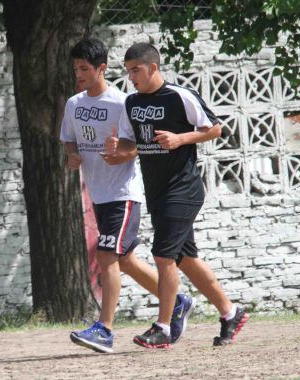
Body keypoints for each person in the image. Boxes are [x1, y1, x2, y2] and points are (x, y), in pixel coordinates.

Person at [105, 42, 249, 348]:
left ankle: (164, 327)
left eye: (136, 70)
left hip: (183, 188)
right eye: (128, 71)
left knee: (162, 255)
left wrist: (181, 138)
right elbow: (132, 145)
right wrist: (118, 152)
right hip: (156, 191)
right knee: (185, 258)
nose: (131, 77)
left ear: (153, 67)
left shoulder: (178, 96)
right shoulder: (131, 103)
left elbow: (215, 129)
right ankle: (230, 312)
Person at [61, 38, 195, 354]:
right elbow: (69, 140)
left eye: (84, 68)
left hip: (123, 193)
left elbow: (138, 145)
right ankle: (176, 301)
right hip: (98, 193)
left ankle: (104, 331)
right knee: (125, 261)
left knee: (106, 256)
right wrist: (72, 155)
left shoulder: (123, 103)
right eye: (75, 68)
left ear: (101, 69)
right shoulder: (74, 104)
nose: (78, 74)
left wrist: (122, 154)